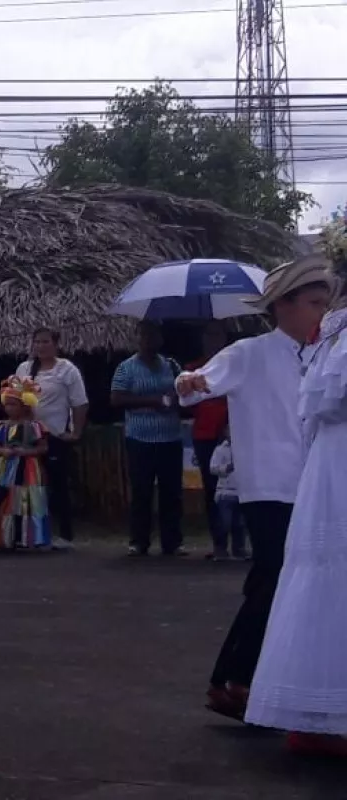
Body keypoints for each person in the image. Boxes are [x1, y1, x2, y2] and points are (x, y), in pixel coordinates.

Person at [174, 255, 332, 723]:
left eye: (325, 304)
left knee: (273, 579)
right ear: (282, 305)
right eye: (313, 303)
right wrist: (190, 380)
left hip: (311, 486)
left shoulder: (323, 356)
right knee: (280, 575)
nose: (321, 313)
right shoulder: (249, 352)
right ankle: (239, 678)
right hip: (268, 486)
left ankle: (233, 680)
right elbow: (194, 385)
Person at [240, 255, 347, 755]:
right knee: (323, 579)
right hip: (324, 472)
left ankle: (318, 711)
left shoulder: (327, 338)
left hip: (321, 470)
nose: (321, 308)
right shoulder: (334, 338)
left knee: (322, 582)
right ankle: (316, 713)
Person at [111, 321, 185, 557]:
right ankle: (139, 541)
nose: (150, 340)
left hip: (170, 437)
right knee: (141, 491)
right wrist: (152, 401)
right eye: (145, 336)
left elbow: (184, 392)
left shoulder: (172, 366)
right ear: (138, 339)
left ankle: (172, 542)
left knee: (171, 492)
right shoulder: (126, 368)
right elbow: (117, 399)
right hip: (140, 438)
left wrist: (174, 400)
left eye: (154, 336)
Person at [14, 328, 88, 549]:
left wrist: (75, 432)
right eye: (37, 342)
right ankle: (28, 532)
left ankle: (64, 534)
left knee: (58, 486)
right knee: (28, 485)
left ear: (55, 344)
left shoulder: (67, 370)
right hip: (28, 435)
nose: (41, 346)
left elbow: (80, 403)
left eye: (46, 342)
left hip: (55, 436)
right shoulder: (25, 368)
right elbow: (15, 399)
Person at [0, 377, 51, 551]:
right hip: (5, 468)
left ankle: (29, 537)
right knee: (5, 498)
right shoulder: (0, 426)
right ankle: (4, 538)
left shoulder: (34, 427)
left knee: (28, 499)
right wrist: (3, 452)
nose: (9, 408)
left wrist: (26, 452)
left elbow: (43, 447)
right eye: (8, 404)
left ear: (24, 406)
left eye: (14, 404)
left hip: (28, 468)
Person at [187, 321, 231, 559]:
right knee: (213, 492)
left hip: (233, 437)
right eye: (208, 335)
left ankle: (241, 543)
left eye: (217, 334)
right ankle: (219, 543)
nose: (212, 340)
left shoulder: (235, 366)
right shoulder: (195, 370)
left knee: (238, 490)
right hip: (204, 436)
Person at [208, 432, 247, 562]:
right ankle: (220, 549)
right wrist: (226, 468)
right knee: (224, 523)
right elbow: (212, 468)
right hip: (225, 492)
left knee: (239, 524)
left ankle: (239, 550)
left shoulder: (245, 449)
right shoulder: (220, 450)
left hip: (241, 493)